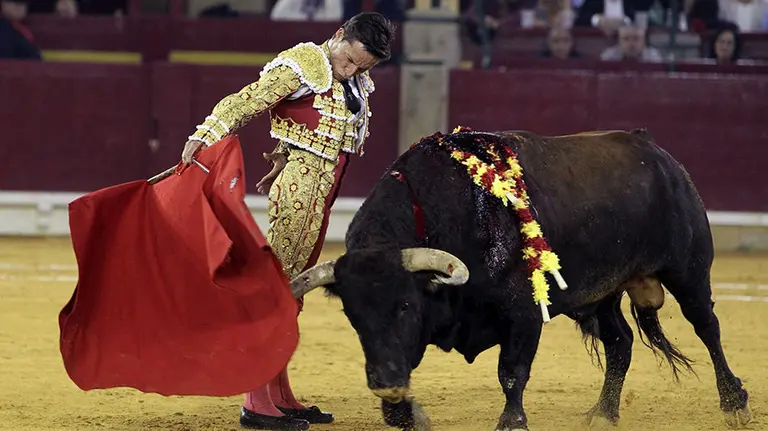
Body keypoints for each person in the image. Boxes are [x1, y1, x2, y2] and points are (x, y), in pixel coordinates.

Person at [180, 12, 395, 431]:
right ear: (337, 36)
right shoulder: (303, 62)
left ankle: (278, 394)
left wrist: (283, 148)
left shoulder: (353, 77)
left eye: (362, 67)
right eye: (349, 60)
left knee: (292, 290)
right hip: (301, 186)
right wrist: (206, 135)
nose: (350, 71)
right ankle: (255, 400)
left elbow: (311, 122)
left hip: (322, 186)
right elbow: (249, 100)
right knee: (275, 288)